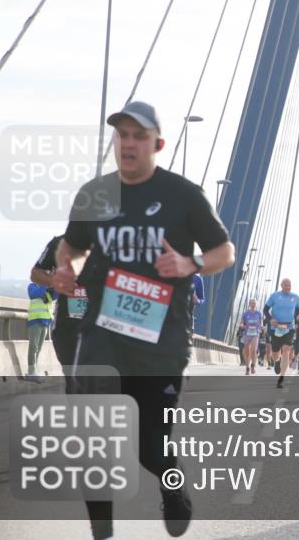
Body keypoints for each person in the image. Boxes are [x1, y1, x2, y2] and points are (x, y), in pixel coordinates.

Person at [53, 101, 234, 540]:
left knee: (152, 445)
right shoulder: (94, 194)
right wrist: (68, 269)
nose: (128, 144)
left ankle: (173, 487)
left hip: (161, 341)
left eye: (138, 136)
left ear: (158, 144)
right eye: (122, 135)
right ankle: (102, 531)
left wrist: (190, 263)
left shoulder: (184, 195)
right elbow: (72, 247)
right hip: (100, 335)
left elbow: (224, 253)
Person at [31, 234, 90, 389]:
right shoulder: (60, 242)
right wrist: (54, 281)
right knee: (74, 382)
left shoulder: (114, 242)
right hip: (67, 327)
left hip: (103, 329)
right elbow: (35, 273)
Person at [264, 278, 299, 389]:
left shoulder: (295, 297)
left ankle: (281, 378)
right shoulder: (274, 296)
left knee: (286, 350)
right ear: (281, 285)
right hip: (275, 327)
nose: (287, 287)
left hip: (289, 327)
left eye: (289, 285)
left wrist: (298, 316)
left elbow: (297, 310)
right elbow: (265, 309)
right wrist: (270, 319)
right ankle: (276, 361)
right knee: (275, 353)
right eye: (285, 285)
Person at [25, 281, 56, 381]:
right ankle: (31, 372)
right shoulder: (32, 286)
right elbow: (35, 294)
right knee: (33, 346)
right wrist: (45, 284)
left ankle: (34, 370)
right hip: (35, 320)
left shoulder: (48, 288)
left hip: (45, 321)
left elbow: (55, 296)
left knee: (39, 348)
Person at [240, 299, 263, 375]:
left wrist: (261, 327)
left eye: (254, 303)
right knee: (247, 351)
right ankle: (247, 367)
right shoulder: (245, 313)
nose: (253, 304)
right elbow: (242, 322)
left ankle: (253, 365)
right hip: (247, 333)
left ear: (256, 305)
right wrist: (242, 325)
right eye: (251, 303)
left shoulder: (258, 313)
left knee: (253, 350)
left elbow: (261, 323)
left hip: (255, 334)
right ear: (249, 304)